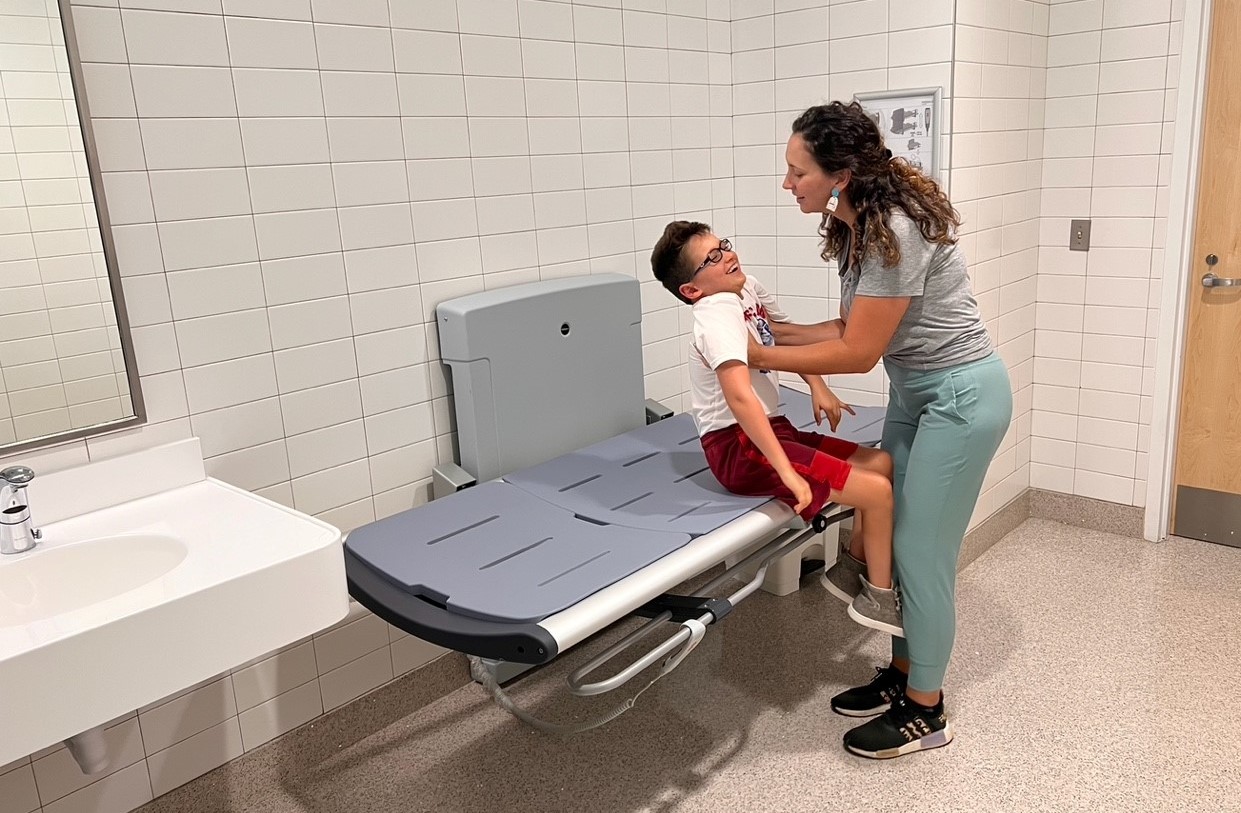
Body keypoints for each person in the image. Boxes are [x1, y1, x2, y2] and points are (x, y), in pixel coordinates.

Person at [749, 100, 1014, 760]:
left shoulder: (893, 226)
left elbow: (857, 354)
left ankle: (927, 710)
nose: (787, 185)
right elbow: (847, 328)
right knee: (890, 539)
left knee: (921, 552)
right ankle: (902, 676)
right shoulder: (852, 223)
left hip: (959, 396)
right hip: (913, 391)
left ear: (837, 172)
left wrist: (757, 357)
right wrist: (769, 328)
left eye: (795, 171)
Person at [650, 220, 901, 636]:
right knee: (876, 492)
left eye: (723, 245)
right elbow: (739, 398)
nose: (727, 255)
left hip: (770, 429)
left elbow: (783, 340)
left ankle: (851, 570)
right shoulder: (714, 315)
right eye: (711, 258)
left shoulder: (745, 288)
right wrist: (788, 474)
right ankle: (879, 596)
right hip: (736, 446)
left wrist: (818, 386)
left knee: (881, 463)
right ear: (692, 291)